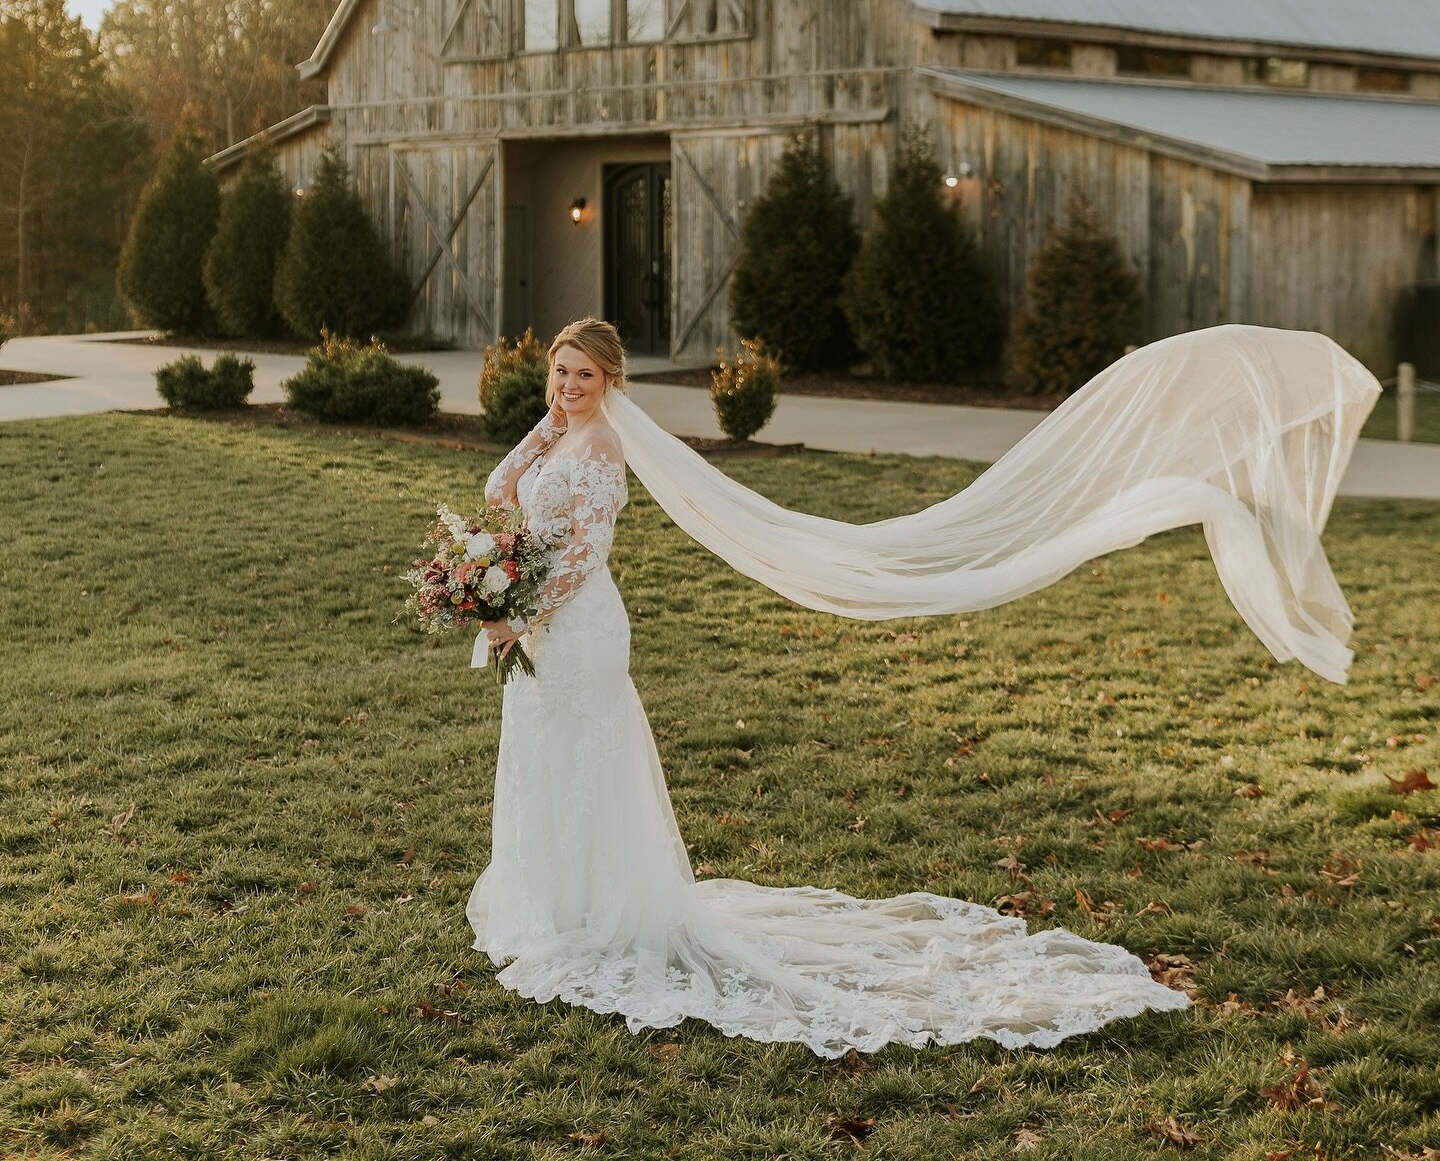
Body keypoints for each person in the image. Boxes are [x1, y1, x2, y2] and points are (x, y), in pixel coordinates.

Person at [466, 316, 1215, 1055]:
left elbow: (585, 556)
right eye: (561, 372)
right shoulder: (562, 430)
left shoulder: (601, 446)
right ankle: (556, 905)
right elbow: (501, 487)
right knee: (544, 750)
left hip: (578, 622)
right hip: (541, 621)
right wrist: (546, 425)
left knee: (582, 755)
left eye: (584, 376)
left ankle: (601, 911)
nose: (569, 386)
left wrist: (514, 614)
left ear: (612, 381)